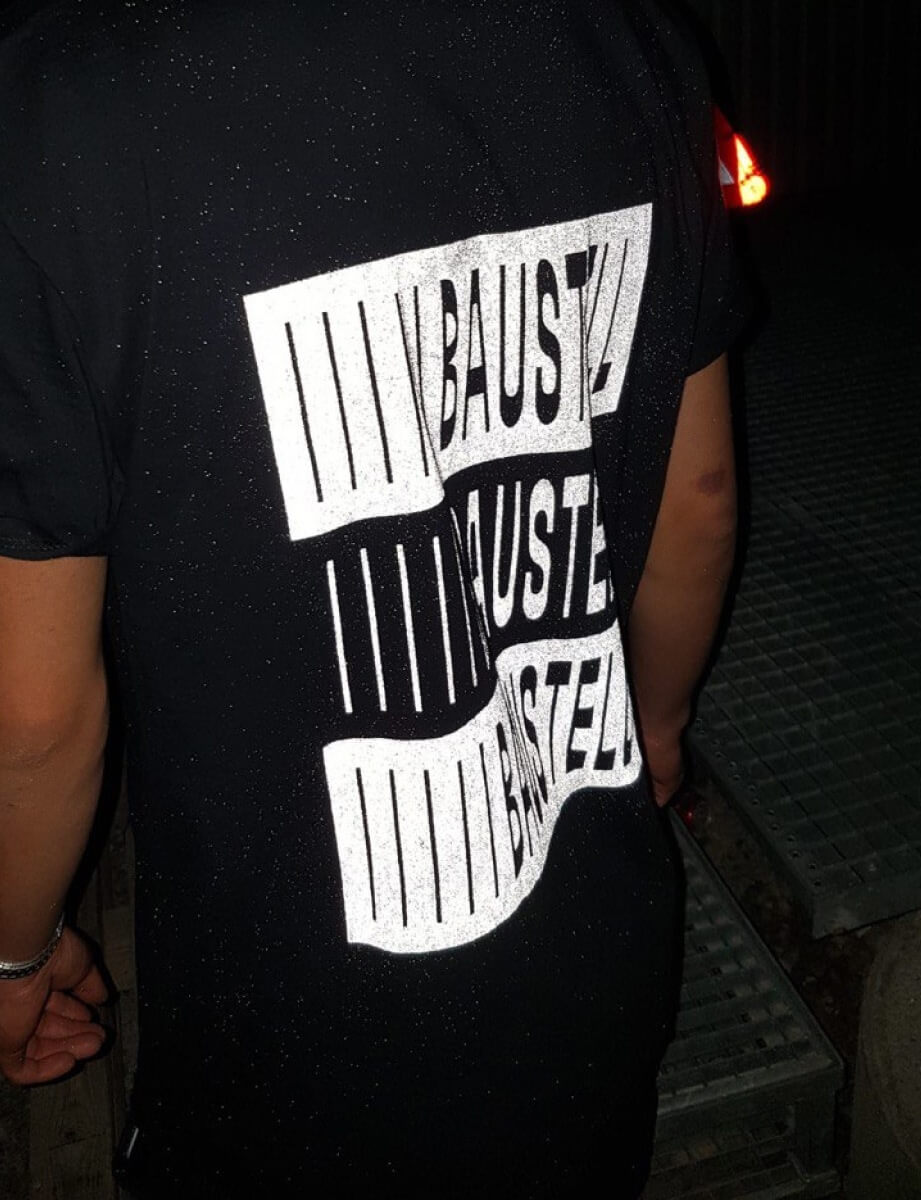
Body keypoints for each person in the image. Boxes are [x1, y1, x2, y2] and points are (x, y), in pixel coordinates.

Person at [0, 0, 745, 1195]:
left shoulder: (64, 98)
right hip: (585, 988)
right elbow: (695, 504)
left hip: (289, 1041)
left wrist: (14, 956)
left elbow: (33, 716)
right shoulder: (634, 39)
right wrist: (654, 729)